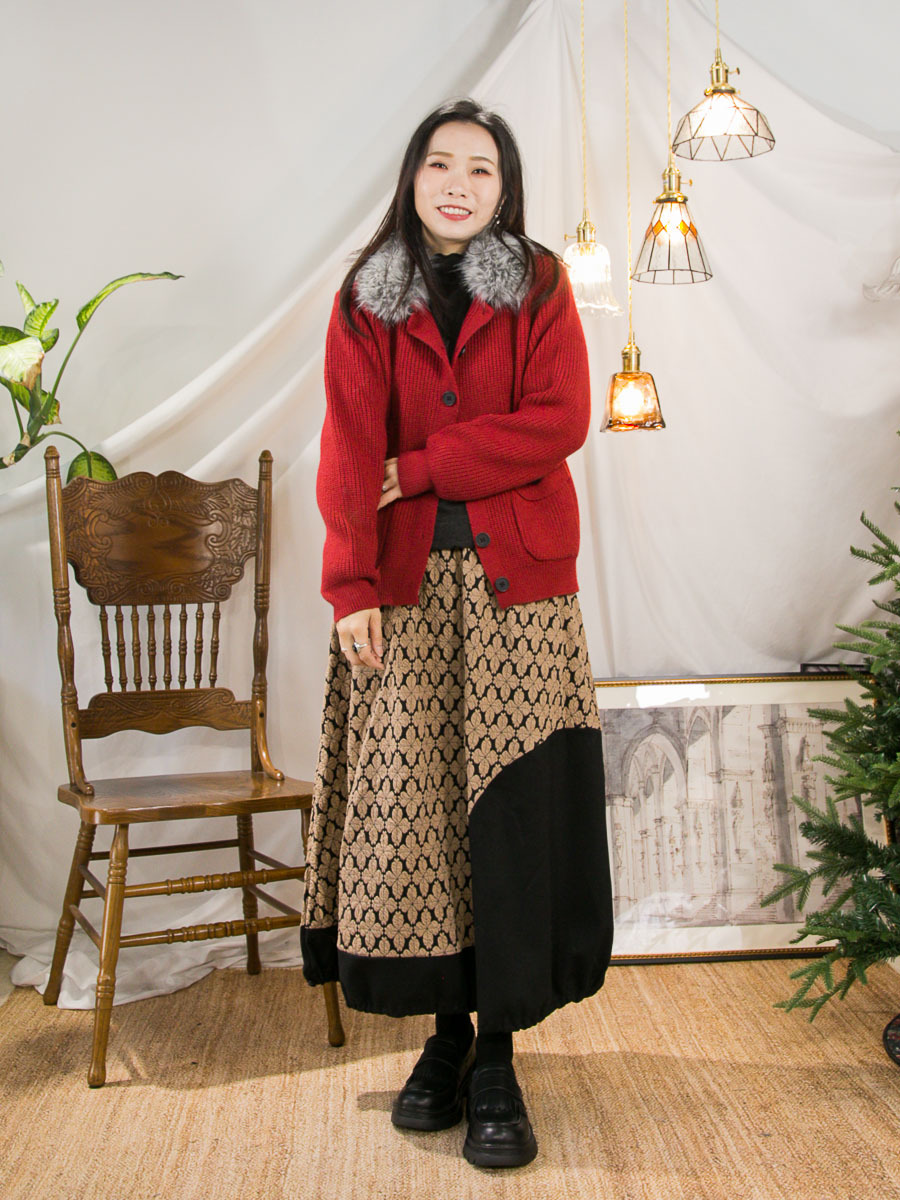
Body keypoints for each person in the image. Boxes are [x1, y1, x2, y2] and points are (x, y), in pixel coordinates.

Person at [301, 97, 613, 1170]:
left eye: (482, 169)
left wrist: (429, 466)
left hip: (519, 592)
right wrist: (350, 587)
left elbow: (558, 421)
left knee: (513, 817)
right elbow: (349, 448)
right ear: (413, 177)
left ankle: (498, 1058)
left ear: (503, 189)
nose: (459, 184)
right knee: (423, 813)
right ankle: (444, 1038)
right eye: (442, 164)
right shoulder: (364, 296)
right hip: (401, 592)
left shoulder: (541, 283)